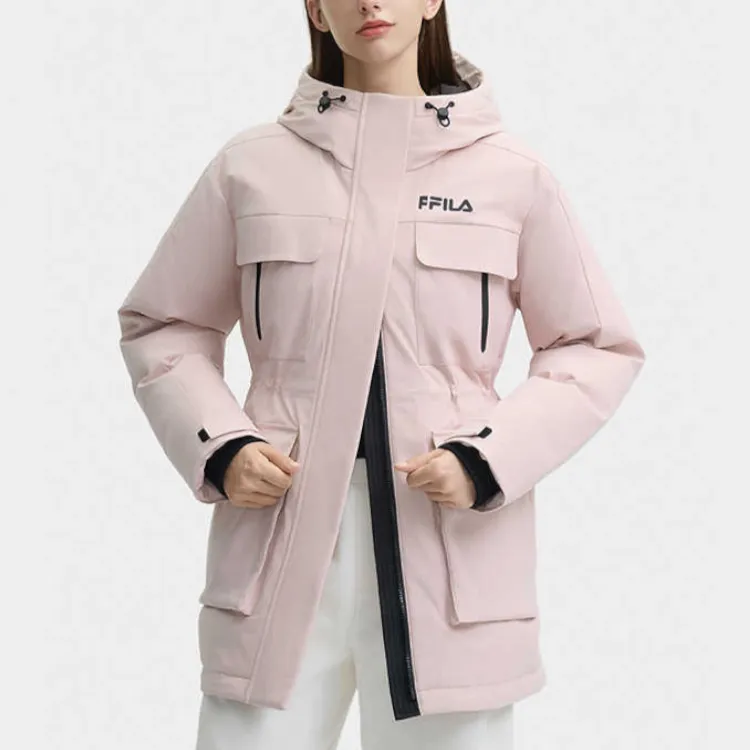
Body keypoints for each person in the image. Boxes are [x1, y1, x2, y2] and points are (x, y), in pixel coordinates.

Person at [116, 1, 646, 748]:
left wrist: (488, 457)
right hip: (279, 539)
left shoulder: (511, 175)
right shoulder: (250, 167)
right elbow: (164, 323)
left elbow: (594, 346)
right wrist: (221, 444)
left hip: (451, 550)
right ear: (314, 7)